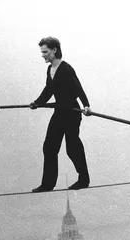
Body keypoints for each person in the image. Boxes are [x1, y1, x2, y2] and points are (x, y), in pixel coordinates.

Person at [30, 36, 91, 193]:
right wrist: (37, 103)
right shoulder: (50, 69)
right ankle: (48, 184)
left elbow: (78, 88)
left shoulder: (66, 69)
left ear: (54, 50)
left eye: (45, 52)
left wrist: (86, 106)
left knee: (72, 147)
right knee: (49, 147)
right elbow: (48, 90)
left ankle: (84, 179)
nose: (42, 55)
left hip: (71, 112)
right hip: (59, 112)